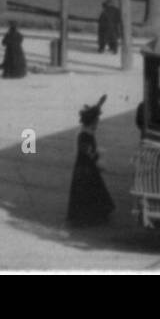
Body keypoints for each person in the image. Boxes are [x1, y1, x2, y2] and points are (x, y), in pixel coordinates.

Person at [67, 95, 115, 227]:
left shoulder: (87, 131)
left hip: (86, 167)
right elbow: (87, 152)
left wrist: (100, 104)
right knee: (90, 190)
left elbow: (93, 112)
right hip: (85, 168)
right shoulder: (84, 135)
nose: (97, 124)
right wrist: (98, 161)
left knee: (92, 190)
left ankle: (92, 215)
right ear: (91, 123)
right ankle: (89, 217)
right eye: (96, 122)